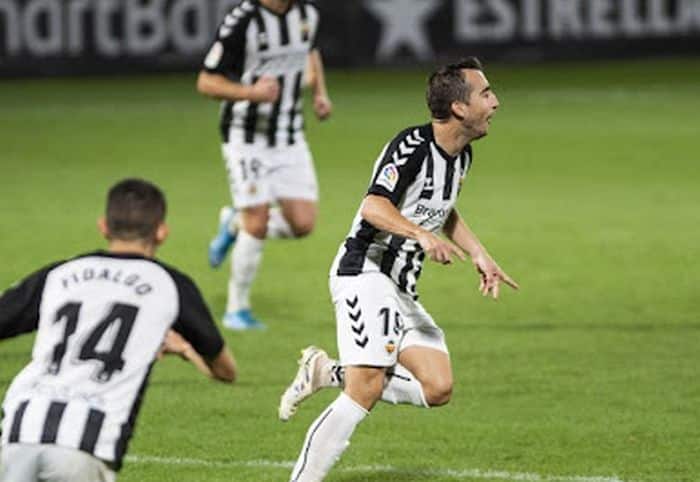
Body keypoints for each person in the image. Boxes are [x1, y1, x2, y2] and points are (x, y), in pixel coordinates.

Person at [277, 58, 519, 482]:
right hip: (364, 271)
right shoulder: (411, 146)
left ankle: (326, 371)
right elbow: (374, 206)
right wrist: (420, 236)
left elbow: (443, 209)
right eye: (486, 93)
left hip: (401, 287)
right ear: (459, 108)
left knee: (438, 387)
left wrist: (480, 253)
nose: (495, 102)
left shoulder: (462, 156)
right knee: (365, 389)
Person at [0, 179, 237, 482]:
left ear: (103, 226)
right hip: (83, 446)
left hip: (18, 431)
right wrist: (187, 350)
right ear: (162, 232)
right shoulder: (170, 285)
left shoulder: (60, 273)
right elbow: (226, 370)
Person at [197, 0, 332, 330]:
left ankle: (234, 222)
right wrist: (251, 93)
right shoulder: (241, 20)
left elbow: (309, 52)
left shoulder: (307, 14)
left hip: (289, 135)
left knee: (303, 224)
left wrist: (319, 93)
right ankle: (236, 309)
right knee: (256, 221)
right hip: (245, 136)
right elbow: (206, 82)